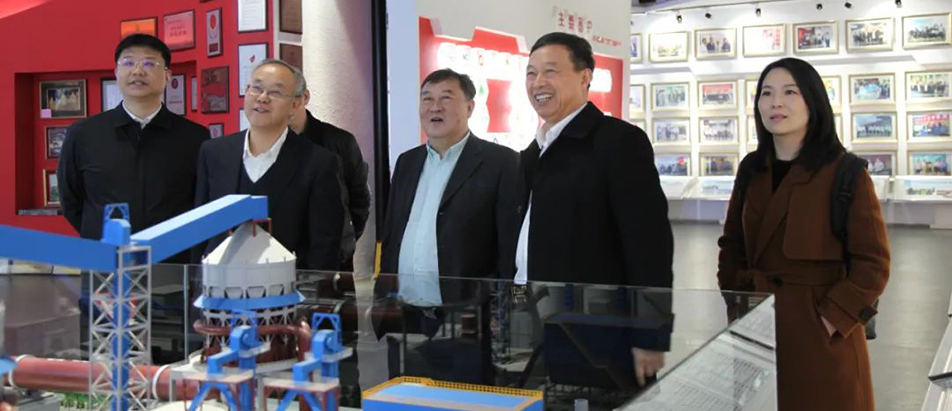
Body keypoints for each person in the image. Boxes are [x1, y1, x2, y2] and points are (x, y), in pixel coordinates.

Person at [717, 57, 890, 411]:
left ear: (813, 100)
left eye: (789, 92)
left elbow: (873, 264)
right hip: (757, 330)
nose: (776, 103)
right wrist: (737, 301)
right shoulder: (752, 169)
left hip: (822, 340)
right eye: (767, 93)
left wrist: (829, 320)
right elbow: (732, 245)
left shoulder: (845, 172)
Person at [514, 32, 674, 387]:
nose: (538, 83)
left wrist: (651, 333)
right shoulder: (532, 154)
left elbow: (649, 248)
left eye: (551, 71)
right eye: (531, 73)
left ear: (585, 76)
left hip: (599, 331)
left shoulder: (618, 143)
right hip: (536, 324)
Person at [374, 68, 519, 384]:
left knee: (463, 400)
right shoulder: (407, 162)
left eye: (446, 98)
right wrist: (382, 302)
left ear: (470, 107)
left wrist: (502, 311)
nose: (434, 107)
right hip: (406, 316)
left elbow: (509, 249)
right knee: (405, 400)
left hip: (465, 318)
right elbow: (392, 235)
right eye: (427, 99)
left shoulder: (501, 162)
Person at [58, 34, 209, 258]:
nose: (138, 71)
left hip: (173, 262)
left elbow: (202, 203)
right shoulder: (84, 134)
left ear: (168, 75)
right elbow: (71, 201)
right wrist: (98, 234)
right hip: (104, 260)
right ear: (116, 72)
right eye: (128, 63)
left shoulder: (195, 137)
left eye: (149, 63)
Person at [194, 59, 344, 270]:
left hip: (287, 284)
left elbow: (325, 245)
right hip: (220, 282)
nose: (262, 98)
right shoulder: (214, 152)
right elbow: (200, 229)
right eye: (256, 88)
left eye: (275, 92)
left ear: (295, 104)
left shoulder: (319, 162)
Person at [290, 89, 371, 271]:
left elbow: (359, 199)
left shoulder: (340, 141)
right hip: (281, 257)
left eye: (289, 96)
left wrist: (344, 238)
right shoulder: (268, 144)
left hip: (333, 257)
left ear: (304, 97)